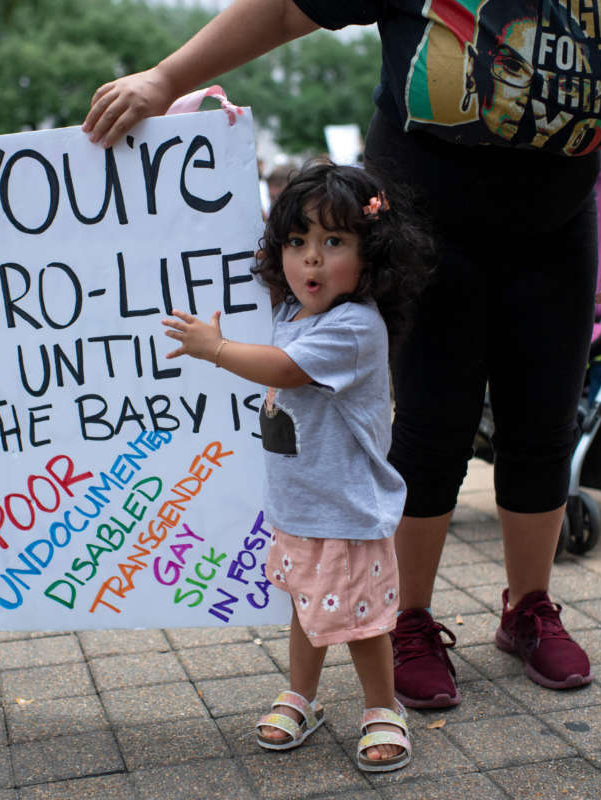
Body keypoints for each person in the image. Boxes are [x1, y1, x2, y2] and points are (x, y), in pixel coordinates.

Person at [85, 0, 601, 706]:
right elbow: (286, 12)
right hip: (422, 218)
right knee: (431, 425)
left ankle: (529, 608)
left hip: (558, 221)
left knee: (545, 420)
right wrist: (164, 78)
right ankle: (408, 621)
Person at [161, 162, 433, 772]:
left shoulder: (354, 327)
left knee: (362, 622)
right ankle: (301, 696)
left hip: (348, 509)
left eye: (333, 242)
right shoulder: (292, 314)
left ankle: (382, 707)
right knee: (307, 607)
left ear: (372, 255)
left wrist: (218, 349)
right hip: (300, 506)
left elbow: (285, 370)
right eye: (297, 242)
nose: (311, 260)